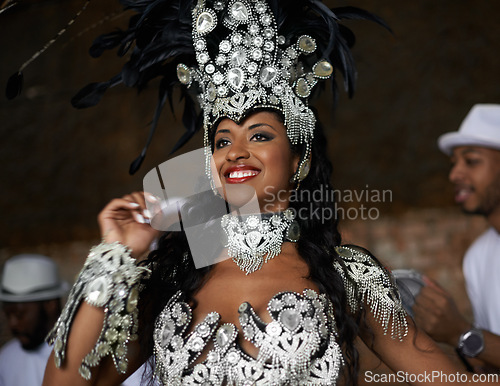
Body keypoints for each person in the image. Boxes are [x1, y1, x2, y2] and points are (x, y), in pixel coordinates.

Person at [16, 0, 494, 385]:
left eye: (260, 135)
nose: (236, 152)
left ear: (299, 158)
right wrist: (115, 256)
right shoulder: (168, 280)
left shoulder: (347, 274)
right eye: (222, 140)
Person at [413, 104, 500, 371]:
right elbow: (488, 368)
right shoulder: (477, 256)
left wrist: (460, 333)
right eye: (454, 164)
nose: (454, 175)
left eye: (471, 161)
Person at [0, 254, 68, 386]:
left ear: (50, 305)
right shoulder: (6, 359)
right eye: (8, 315)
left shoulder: (83, 350)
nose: (12, 324)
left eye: (20, 315)